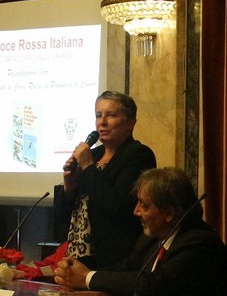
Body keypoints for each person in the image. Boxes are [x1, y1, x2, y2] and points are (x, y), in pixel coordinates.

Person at [53, 166, 227, 296]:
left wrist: (87, 278)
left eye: (144, 206)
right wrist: (77, 267)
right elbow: (125, 269)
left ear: (169, 213)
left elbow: (153, 285)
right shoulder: (152, 238)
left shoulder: (199, 243)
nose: (136, 212)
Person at [53, 91, 156, 269]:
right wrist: (69, 187)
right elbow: (64, 218)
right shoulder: (94, 154)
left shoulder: (138, 155)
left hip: (114, 259)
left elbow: (117, 206)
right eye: (98, 115)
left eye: (111, 115)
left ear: (130, 123)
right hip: (79, 255)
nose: (102, 122)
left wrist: (88, 167)